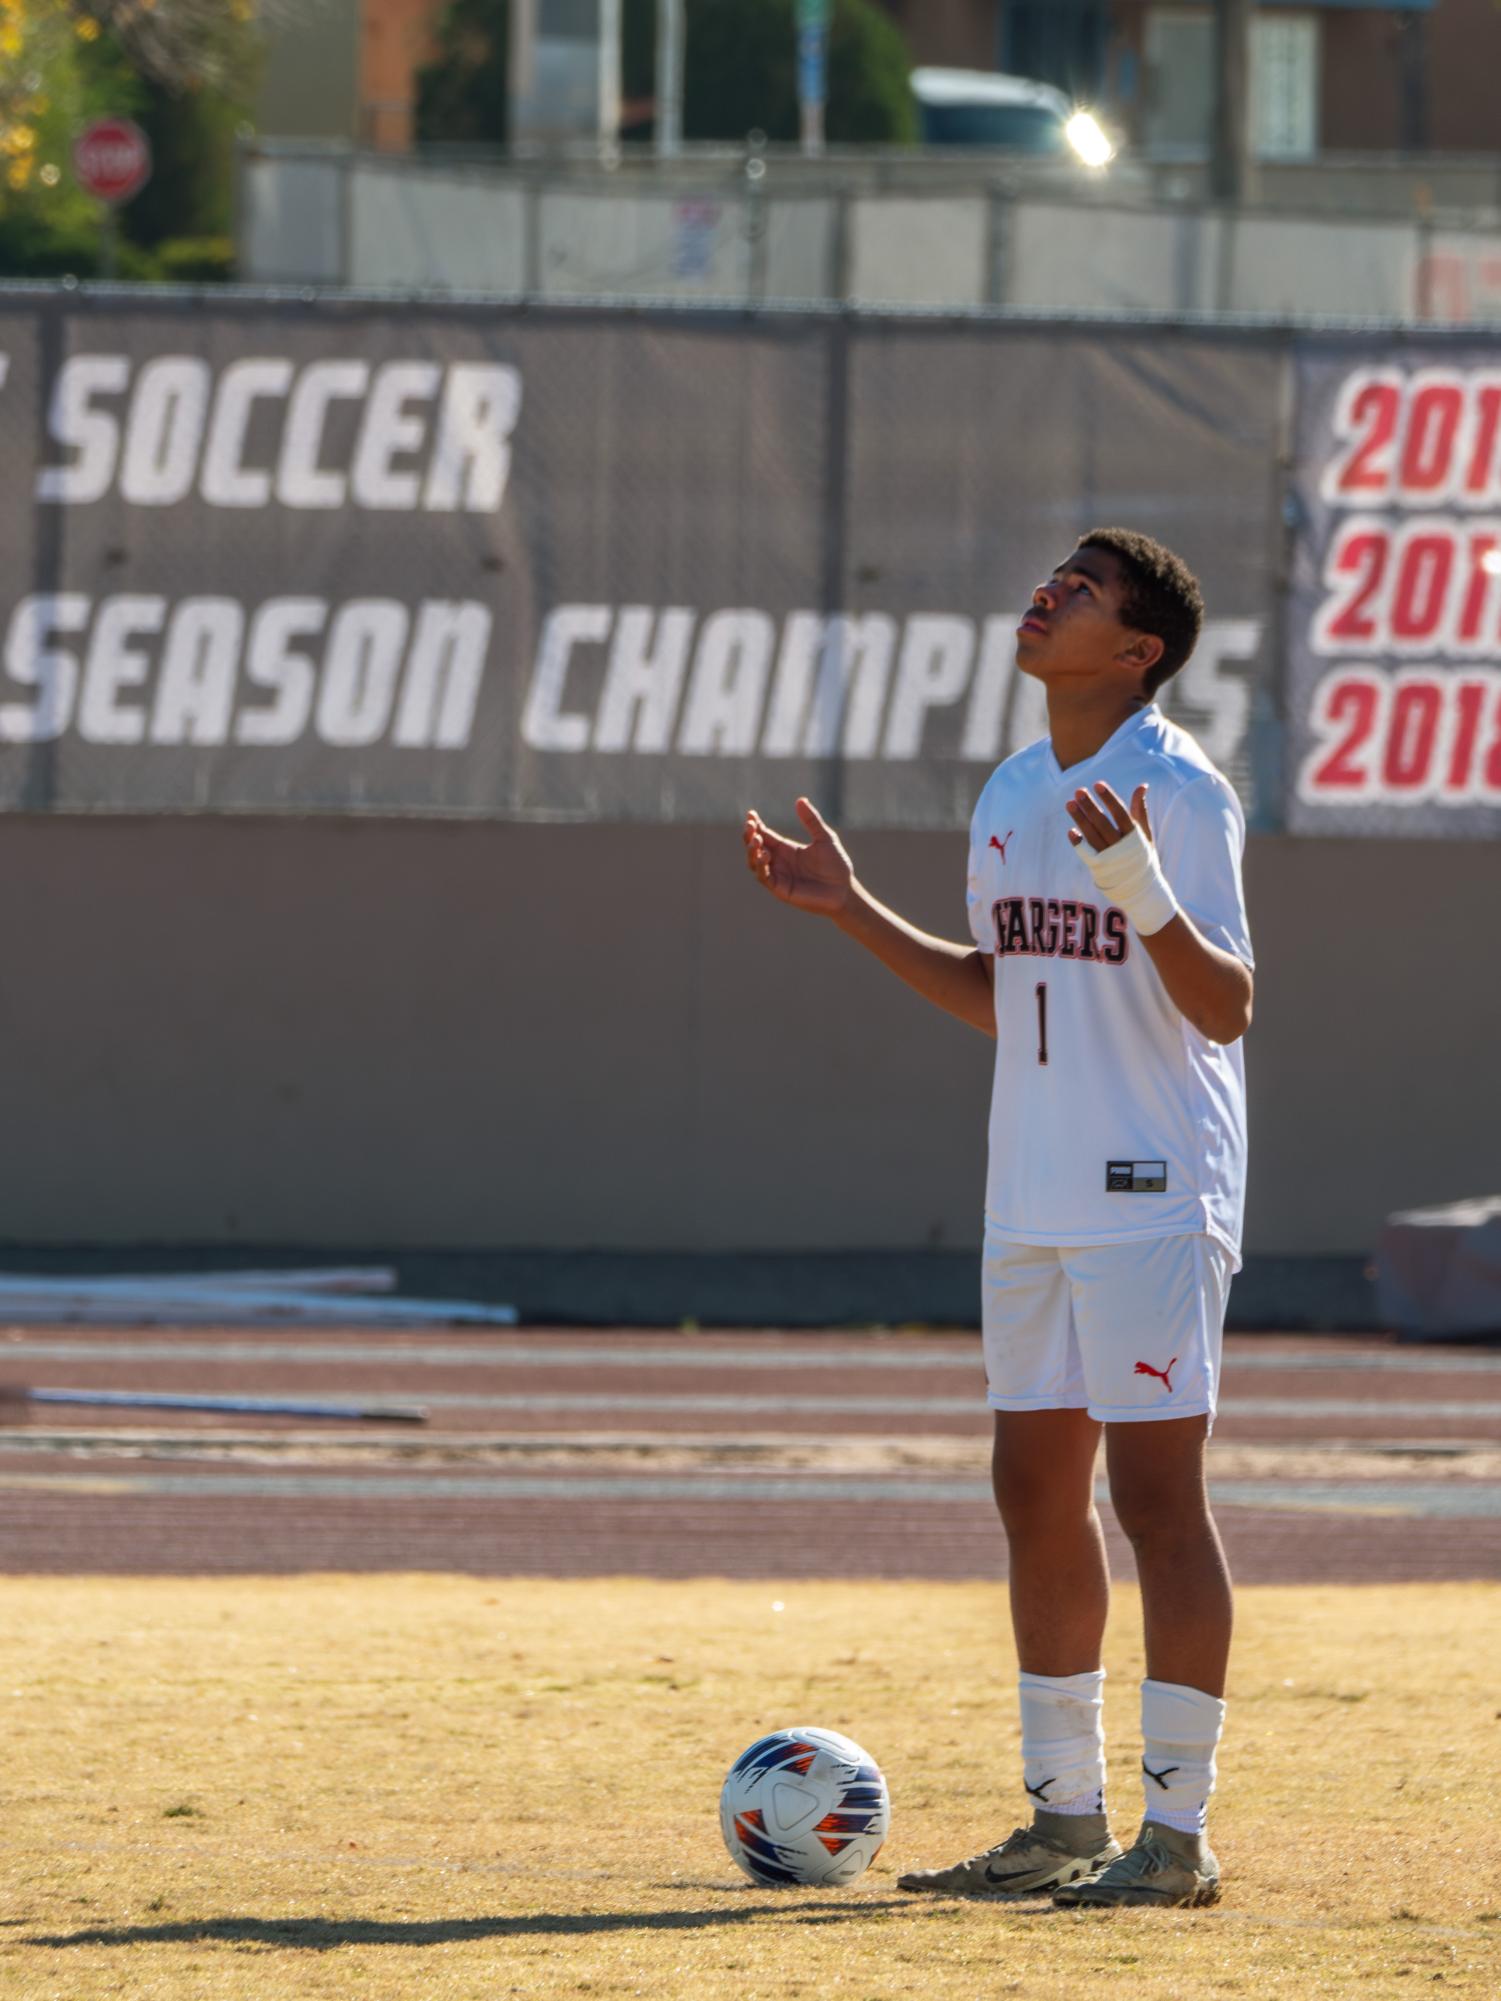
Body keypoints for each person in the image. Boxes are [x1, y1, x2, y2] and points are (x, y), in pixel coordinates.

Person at [742, 527, 1253, 1910]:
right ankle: (1060, 1818)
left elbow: (1223, 1006)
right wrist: (847, 909)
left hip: (1150, 1189)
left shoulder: (1176, 788)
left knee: (1155, 1500)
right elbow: (999, 984)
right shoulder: (1017, 784)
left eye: (1082, 591)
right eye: (1053, 576)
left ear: (1135, 653)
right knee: (1031, 1489)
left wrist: (1142, 888)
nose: (1048, 593)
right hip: (1027, 1192)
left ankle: (1176, 1835)